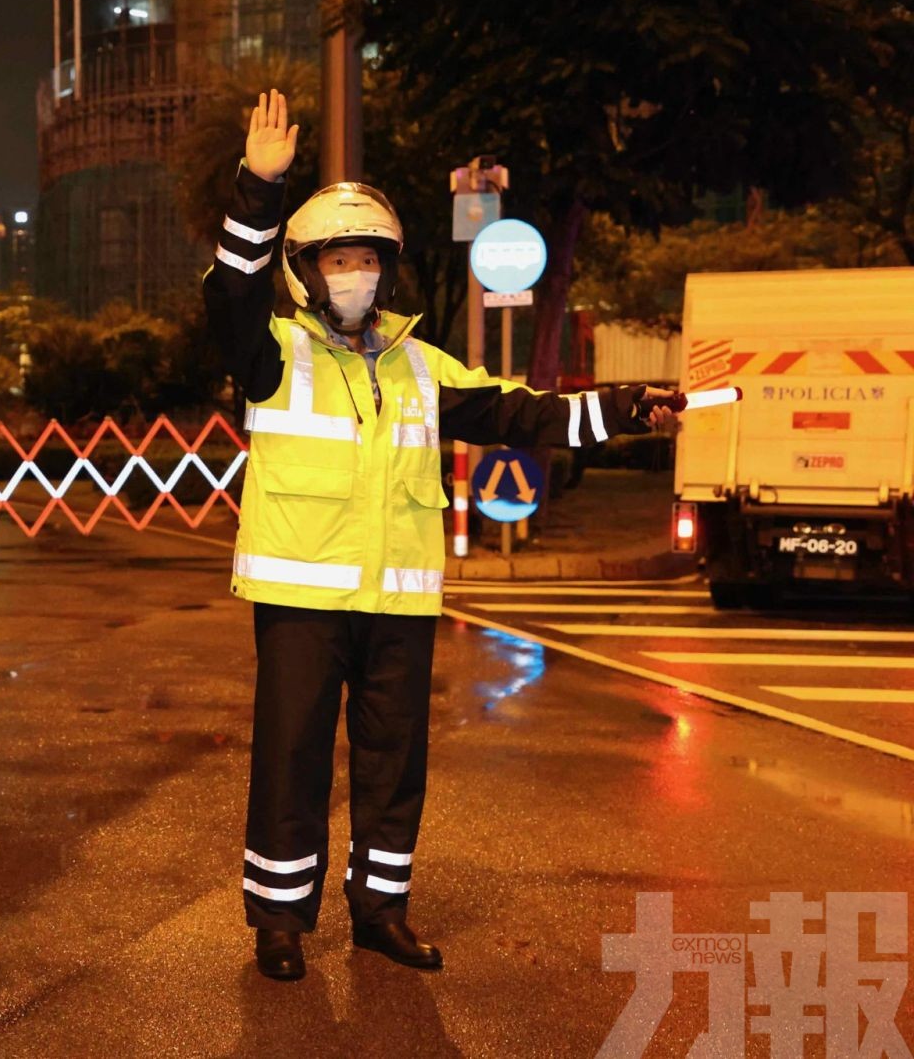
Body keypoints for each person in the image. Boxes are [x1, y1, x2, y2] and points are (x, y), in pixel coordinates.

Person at [205, 90, 677, 981]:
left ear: (388, 270)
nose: (354, 273)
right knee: (291, 762)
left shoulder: (424, 366)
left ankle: (380, 912)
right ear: (306, 272)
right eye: (336, 259)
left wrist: (623, 407)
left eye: (367, 259)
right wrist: (257, 192)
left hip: (400, 600)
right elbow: (228, 290)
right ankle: (279, 922)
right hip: (301, 599)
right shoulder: (270, 355)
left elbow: (522, 414)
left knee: (393, 766)